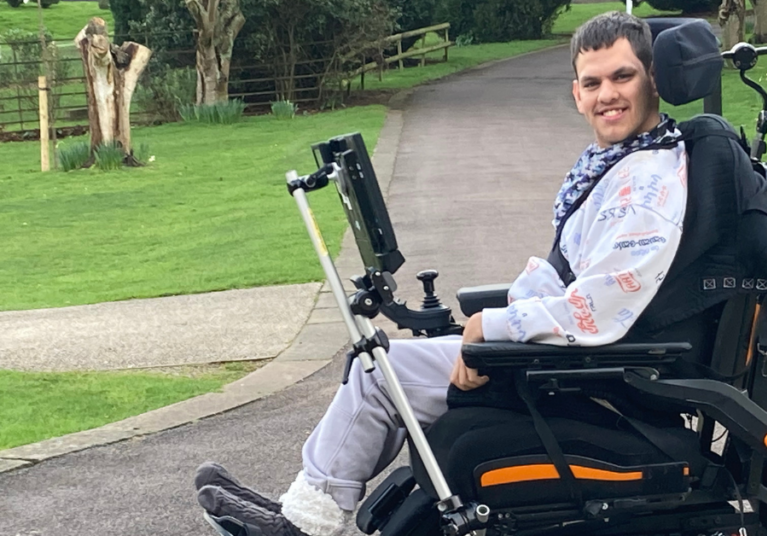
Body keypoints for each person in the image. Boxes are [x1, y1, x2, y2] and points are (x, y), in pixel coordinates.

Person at [196, 11, 694, 536]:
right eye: (592, 83)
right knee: (381, 365)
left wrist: (493, 331)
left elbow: (598, 309)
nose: (606, 95)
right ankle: (301, 508)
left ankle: (304, 523)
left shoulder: (645, 187)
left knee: (377, 374)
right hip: (566, 355)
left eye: (622, 77)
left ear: (652, 80)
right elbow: (566, 273)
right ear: (576, 93)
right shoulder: (616, 165)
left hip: (591, 375)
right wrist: (500, 318)